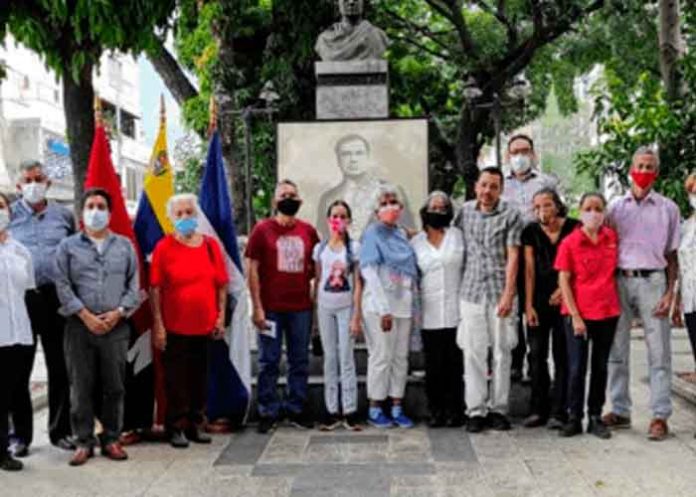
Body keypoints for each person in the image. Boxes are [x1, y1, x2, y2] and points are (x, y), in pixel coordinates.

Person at [54, 188, 140, 466]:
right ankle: (84, 441)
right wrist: (85, 315)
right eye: (90, 206)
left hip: (116, 327)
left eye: (101, 206)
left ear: (110, 212)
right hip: (79, 327)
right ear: (82, 212)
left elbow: (134, 285)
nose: (95, 211)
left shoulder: (125, 246)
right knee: (80, 386)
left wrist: (118, 313)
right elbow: (62, 285)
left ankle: (112, 438)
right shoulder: (67, 247)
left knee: (114, 386)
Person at [603, 146, 679, 442]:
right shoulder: (615, 208)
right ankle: (620, 410)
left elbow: (672, 256)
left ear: (656, 173)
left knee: (659, 352)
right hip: (619, 281)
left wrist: (670, 292)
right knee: (616, 350)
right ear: (630, 168)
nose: (644, 171)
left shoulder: (668, 209)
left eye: (649, 167)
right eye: (640, 165)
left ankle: (660, 415)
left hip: (653, 282)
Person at [150, 194, 228, 448]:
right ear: (172, 218)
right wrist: (159, 325)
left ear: (196, 216)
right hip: (175, 326)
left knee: (199, 377)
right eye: (179, 214)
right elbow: (155, 289)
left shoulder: (210, 246)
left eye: (189, 213)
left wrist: (221, 316)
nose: (185, 218)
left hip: (204, 325)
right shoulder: (164, 247)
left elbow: (222, 285)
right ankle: (176, 427)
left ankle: (196, 423)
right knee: (176, 380)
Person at [9, 159, 76, 455]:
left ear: (47, 183)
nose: (33, 184)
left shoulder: (63, 215)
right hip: (21, 299)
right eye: (28, 179)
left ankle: (60, 431)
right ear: (18, 185)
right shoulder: (7, 215)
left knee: (59, 365)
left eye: (39, 178)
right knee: (18, 368)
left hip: (56, 298)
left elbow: (75, 252)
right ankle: (20, 436)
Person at [246, 180, 320, 433]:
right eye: (283, 195)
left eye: (292, 194)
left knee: (299, 360)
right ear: (275, 201)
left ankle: (296, 408)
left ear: (299, 200)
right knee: (269, 361)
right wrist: (257, 307)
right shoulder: (261, 230)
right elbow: (252, 270)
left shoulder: (308, 231)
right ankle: (268, 410)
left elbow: (317, 269)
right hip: (271, 308)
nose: (288, 198)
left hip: (301, 308)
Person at [456, 167, 524, 433]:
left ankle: (498, 408)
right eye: (484, 185)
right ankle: (475, 410)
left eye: (493, 186)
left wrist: (508, 293)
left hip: (499, 292)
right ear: (476, 186)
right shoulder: (465, 212)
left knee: (501, 352)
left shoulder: (511, 215)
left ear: (501, 189)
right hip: (471, 291)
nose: (487, 191)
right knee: (473, 351)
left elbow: (513, 256)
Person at [555, 192, 620, 439]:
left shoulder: (610, 237)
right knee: (576, 367)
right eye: (588, 208)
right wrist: (575, 316)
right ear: (580, 212)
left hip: (607, 312)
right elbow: (564, 279)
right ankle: (574, 417)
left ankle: (595, 415)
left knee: (600, 366)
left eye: (598, 208)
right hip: (578, 313)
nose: (593, 213)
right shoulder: (570, 242)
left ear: (604, 212)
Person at [502, 135, 560, 383]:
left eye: (525, 151)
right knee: (513, 311)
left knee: (533, 310)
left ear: (533, 154)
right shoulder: (500, 184)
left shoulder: (546, 182)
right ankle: (515, 362)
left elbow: (556, 213)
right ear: (507, 155)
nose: (520, 156)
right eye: (515, 151)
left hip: (538, 255)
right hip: (509, 254)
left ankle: (536, 366)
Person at [360, 184, 418, 429]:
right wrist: (384, 309)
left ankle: (396, 405)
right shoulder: (372, 234)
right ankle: (375, 408)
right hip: (379, 307)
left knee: (400, 358)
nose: (390, 207)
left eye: (393, 202)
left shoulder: (403, 235)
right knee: (381, 356)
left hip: (403, 305)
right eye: (384, 203)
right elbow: (369, 273)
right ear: (376, 211)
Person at [522, 189, 578, 429]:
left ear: (557, 205)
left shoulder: (574, 228)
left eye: (546, 205)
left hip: (566, 298)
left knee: (562, 355)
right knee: (536, 355)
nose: (541, 211)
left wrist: (561, 290)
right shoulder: (530, 231)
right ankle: (538, 409)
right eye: (536, 207)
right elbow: (529, 270)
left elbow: (579, 262)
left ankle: (559, 410)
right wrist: (528, 305)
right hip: (539, 300)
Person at [411, 191, 465, 428]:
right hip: (429, 312)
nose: (438, 211)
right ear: (425, 211)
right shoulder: (416, 242)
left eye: (443, 208)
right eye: (433, 207)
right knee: (433, 367)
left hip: (457, 310)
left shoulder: (457, 236)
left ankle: (456, 410)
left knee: (455, 364)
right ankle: (436, 410)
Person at [313, 200, 362, 431]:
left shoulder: (354, 249)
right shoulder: (320, 249)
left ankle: (350, 409)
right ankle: (332, 410)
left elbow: (359, 284)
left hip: (346, 307)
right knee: (330, 358)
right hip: (325, 307)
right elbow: (318, 279)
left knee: (346, 358)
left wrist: (356, 315)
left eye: (343, 216)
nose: (338, 221)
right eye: (334, 216)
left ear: (349, 221)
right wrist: (314, 315)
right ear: (328, 220)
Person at [315, 133, 415, 239]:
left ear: (368, 157)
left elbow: (408, 232)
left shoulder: (390, 191)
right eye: (346, 154)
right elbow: (324, 237)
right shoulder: (328, 198)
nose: (353, 159)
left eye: (359, 153)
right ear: (338, 159)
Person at [0, 193, 35, 471]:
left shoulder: (20, 250)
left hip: (19, 333)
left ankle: (15, 441)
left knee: (14, 390)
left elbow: (27, 290)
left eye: (0, 206)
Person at [673, 173, 696, 375]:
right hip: (690, 298)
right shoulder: (685, 227)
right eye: (693, 192)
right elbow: (680, 265)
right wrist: (676, 300)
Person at [315, 0, 389, 61]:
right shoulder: (325, 40)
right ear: (337, 3)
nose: (351, 2)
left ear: (364, 2)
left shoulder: (377, 36)